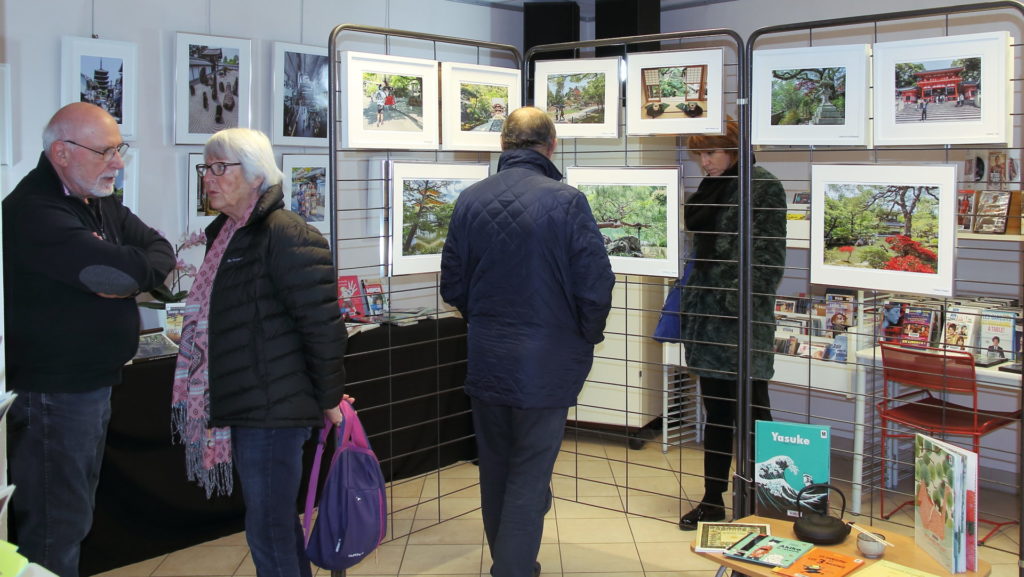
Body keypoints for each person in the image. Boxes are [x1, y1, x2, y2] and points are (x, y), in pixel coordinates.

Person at [440, 106, 615, 577]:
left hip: (487, 355)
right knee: (530, 472)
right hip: (546, 360)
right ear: (550, 146)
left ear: (503, 145)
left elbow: (452, 285)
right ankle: (512, 570)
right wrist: (584, 336)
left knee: (496, 467)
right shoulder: (566, 201)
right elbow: (595, 285)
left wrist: (487, 318)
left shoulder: (470, 200)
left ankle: (507, 561)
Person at [3, 102, 175, 577]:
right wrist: (122, 269)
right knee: (56, 527)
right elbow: (122, 271)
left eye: (119, 149)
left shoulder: (95, 198)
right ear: (61, 152)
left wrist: (122, 271)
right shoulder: (34, 211)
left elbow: (159, 251)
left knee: (72, 517)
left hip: (90, 385)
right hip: (54, 395)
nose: (117, 163)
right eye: (105, 152)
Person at [171, 128, 348, 577]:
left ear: (254, 175)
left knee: (268, 530)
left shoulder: (285, 234)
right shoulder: (228, 235)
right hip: (253, 401)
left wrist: (329, 399)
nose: (208, 178)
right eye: (205, 168)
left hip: (276, 409)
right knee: (273, 527)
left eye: (219, 168)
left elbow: (323, 326)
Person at [677, 118, 787, 530]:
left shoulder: (761, 185)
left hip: (740, 322)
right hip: (706, 320)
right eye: (701, 154)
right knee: (717, 412)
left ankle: (771, 497)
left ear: (735, 150)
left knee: (755, 411)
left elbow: (769, 261)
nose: (705, 162)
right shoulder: (711, 188)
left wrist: (732, 302)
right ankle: (712, 499)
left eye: (712, 153)